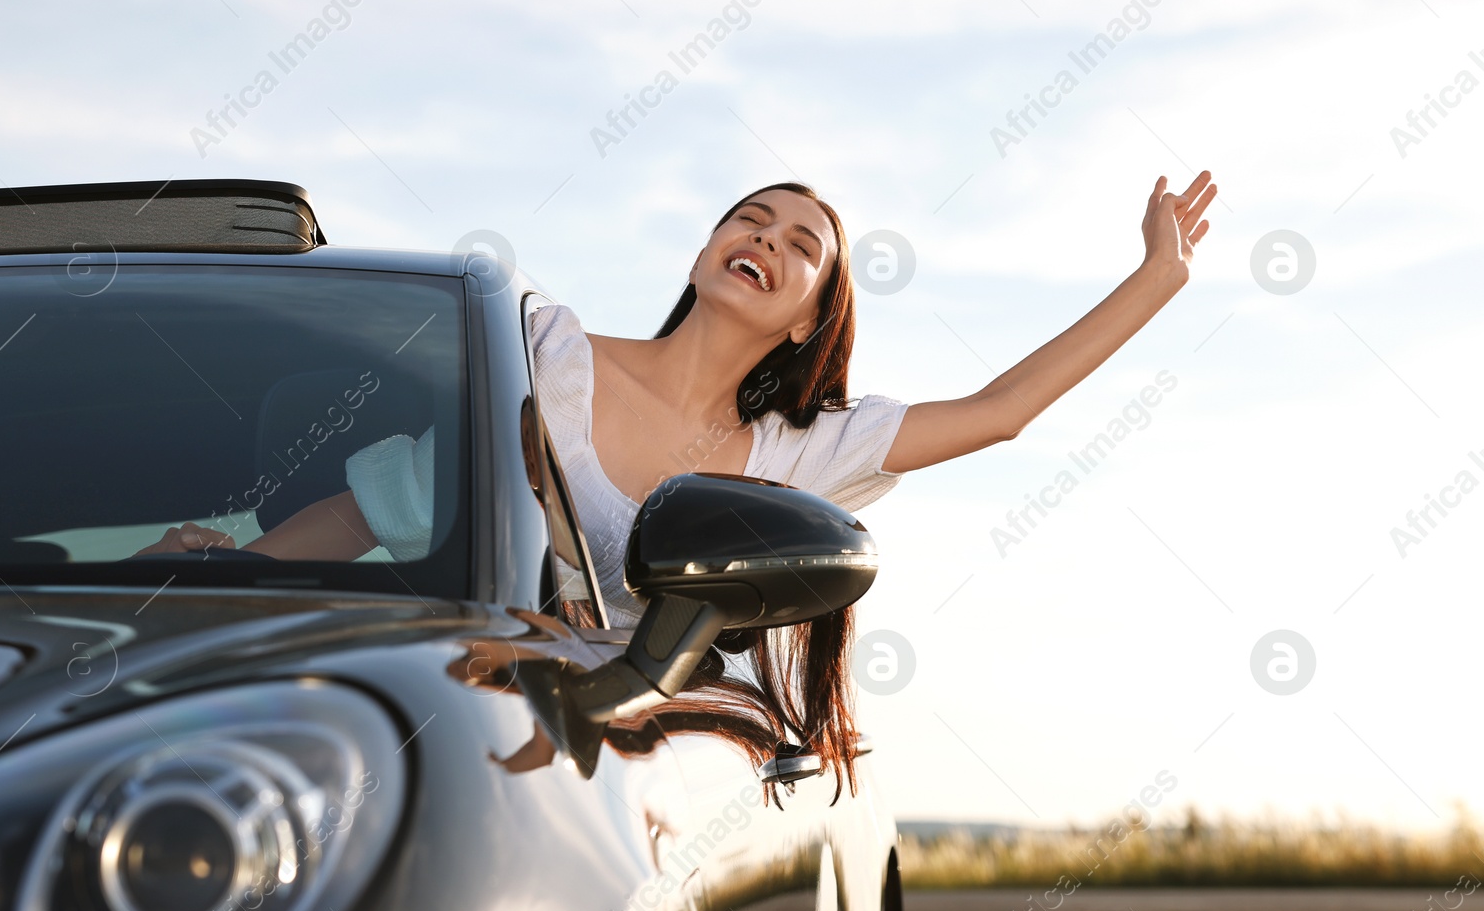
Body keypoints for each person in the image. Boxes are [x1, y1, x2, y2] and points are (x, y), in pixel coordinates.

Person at [136, 173, 1217, 793]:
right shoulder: (545, 351)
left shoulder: (808, 448)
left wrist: (1157, 275)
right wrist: (232, 571)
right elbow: (374, 512)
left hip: (663, 758)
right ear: (708, 247)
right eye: (751, 217)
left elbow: (1000, 411)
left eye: (800, 244)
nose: (765, 236)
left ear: (806, 315)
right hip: (491, 727)